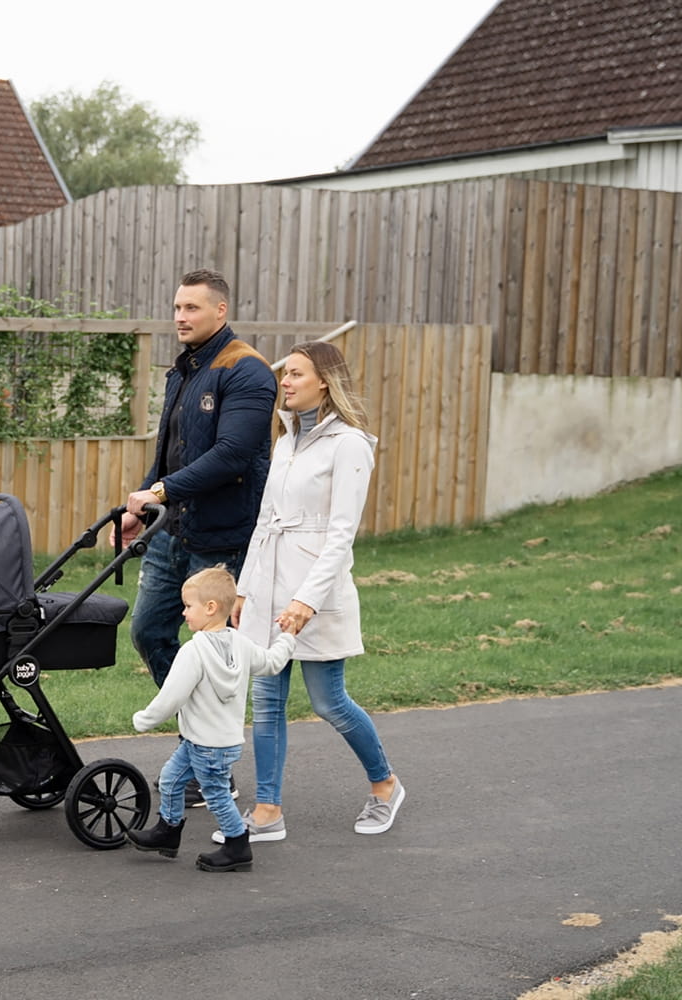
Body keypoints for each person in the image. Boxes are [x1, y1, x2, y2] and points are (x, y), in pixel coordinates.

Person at [213, 340, 405, 846]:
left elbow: (342, 535)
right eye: (286, 373)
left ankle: (385, 785)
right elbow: (265, 521)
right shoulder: (286, 439)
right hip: (267, 586)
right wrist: (243, 590)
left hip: (314, 590)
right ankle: (268, 810)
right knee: (266, 701)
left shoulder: (351, 444)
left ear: (325, 381)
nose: (286, 381)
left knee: (328, 702)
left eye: (297, 373)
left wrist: (307, 600)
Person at [117, 267, 278, 806]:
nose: (180, 317)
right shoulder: (183, 370)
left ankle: (212, 767)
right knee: (148, 632)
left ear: (220, 311)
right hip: (173, 531)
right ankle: (198, 747)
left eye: (191, 308)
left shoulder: (246, 370)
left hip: (221, 537)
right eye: (177, 307)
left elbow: (232, 456)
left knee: (212, 652)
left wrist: (160, 491)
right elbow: (171, 453)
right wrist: (145, 505)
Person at [125, 566, 296, 872]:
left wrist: (145, 719)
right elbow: (272, 663)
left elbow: (172, 696)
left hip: (206, 746)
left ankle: (237, 846)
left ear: (210, 607)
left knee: (217, 795)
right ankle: (168, 831)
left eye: (188, 606)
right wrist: (287, 638)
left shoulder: (193, 652)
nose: (183, 612)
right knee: (171, 779)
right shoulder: (241, 644)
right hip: (209, 742)